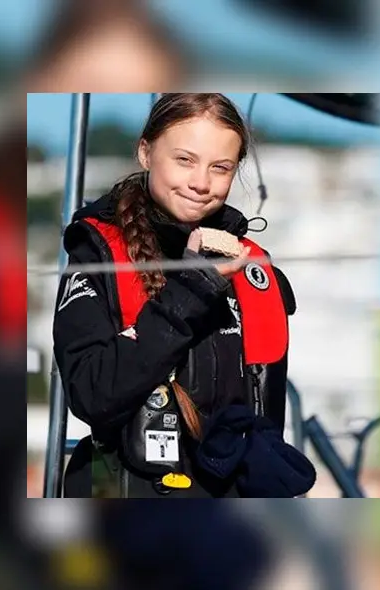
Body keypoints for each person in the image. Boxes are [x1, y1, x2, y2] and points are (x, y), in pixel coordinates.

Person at [54, 93, 314, 498]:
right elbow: (91, 395)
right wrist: (193, 287)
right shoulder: (96, 253)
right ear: (145, 152)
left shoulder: (252, 268)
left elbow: (267, 414)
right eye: (185, 160)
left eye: (220, 167)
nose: (201, 183)